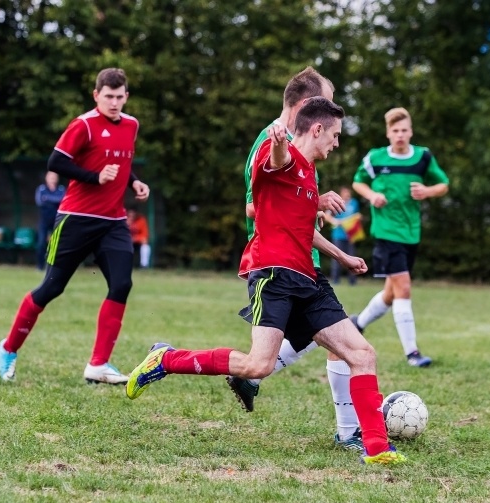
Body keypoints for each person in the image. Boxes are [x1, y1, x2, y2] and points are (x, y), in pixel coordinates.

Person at [126, 97, 406, 465]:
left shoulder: (308, 172)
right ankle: (165, 359)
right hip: (273, 275)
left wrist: (342, 256)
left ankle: (377, 448)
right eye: (335, 136)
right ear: (317, 129)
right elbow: (277, 162)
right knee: (258, 366)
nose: (337, 144)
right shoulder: (281, 156)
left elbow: (302, 228)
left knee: (361, 352)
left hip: (309, 278)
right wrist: (276, 142)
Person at [226, 67, 368, 452]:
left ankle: (349, 431)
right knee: (335, 344)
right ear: (309, 107)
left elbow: (292, 201)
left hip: (302, 258)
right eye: (328, 100)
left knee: (342, 342)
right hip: (278, 261)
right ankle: (348, 432)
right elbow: (255, 208)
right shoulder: (272, 143)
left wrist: (313, 205)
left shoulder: (302, 145)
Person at [0, 68, 150, 385]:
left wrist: (134, 181)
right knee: (52, 287)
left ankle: (98, 365)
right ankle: (8, 348)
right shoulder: (84, 125)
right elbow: (56, 162)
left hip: (113, 221)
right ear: (96, 95)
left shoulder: (132, 125)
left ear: (127, 97)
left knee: (121, 285)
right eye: (108, 96)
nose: (114, 103)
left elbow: (122, 161)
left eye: (120, 97)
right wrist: (95, 178)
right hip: (76, 219)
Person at [351, 107, 450, 367]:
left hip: (411, 232)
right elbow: (357, 182)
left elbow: (443, 185)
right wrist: (372, 196)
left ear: (411, 131)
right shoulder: (375, 158)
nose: (400, 135)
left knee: (391, 293)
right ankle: (412, 353)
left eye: (404, 130)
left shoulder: (423, 157)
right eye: (395, 131)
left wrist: (427, 191)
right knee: (403, 288)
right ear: (388, 133)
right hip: (385, 232)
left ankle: (357, 323)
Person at [323, 185, 363, 285]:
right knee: (336, 258)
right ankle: (336, 280)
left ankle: (353, 281)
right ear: (341, 194)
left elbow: (357, 216)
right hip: (338, 235)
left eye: (348, 193)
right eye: (345, 193)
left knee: (352, 257)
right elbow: (327, 216)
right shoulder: (337, 202)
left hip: (351, 235)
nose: (347, 195)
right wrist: (336, 221)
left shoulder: (354, 203)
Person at [34, 171, 66, 270]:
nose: (52, 179)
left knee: (56, 244)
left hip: (57, 221)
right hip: (44, 221)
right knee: (41, 243)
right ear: (46, 178)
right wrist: (55, 200)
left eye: (54, 177)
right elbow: (40, 201)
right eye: (50, 177)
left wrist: (47, 199)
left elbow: (63, 201)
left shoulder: (61, 189)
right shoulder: (41, 189)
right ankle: (40, 266)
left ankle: (53, 265)